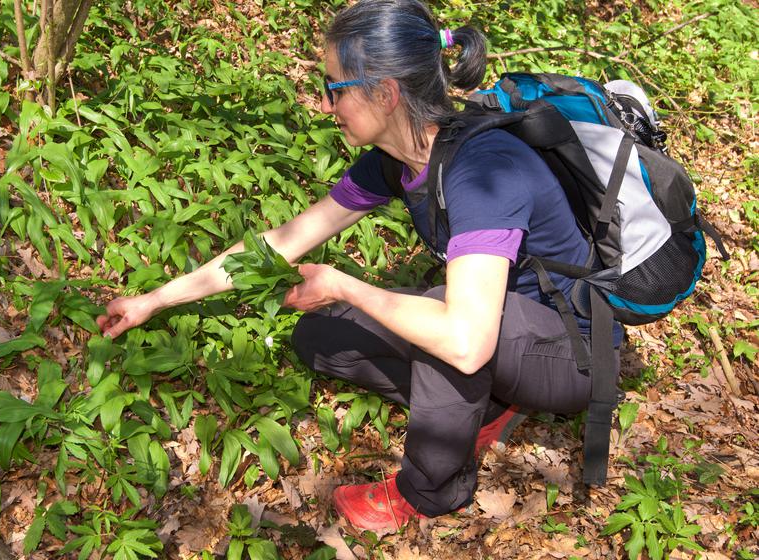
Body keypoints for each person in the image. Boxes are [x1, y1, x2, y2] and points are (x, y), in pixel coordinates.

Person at [99, 0, 619, 532]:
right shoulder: (395, 162)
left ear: (385, 93)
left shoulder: (485, 171)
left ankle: (428, 492)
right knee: (319, 336)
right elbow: (283, 241)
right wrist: (154, 300)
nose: (327, 106)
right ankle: (487, 409)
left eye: (335, 88)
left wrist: (344, 284)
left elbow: (464, 340)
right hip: (501, 333)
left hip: (571, 354)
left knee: (443, 324)